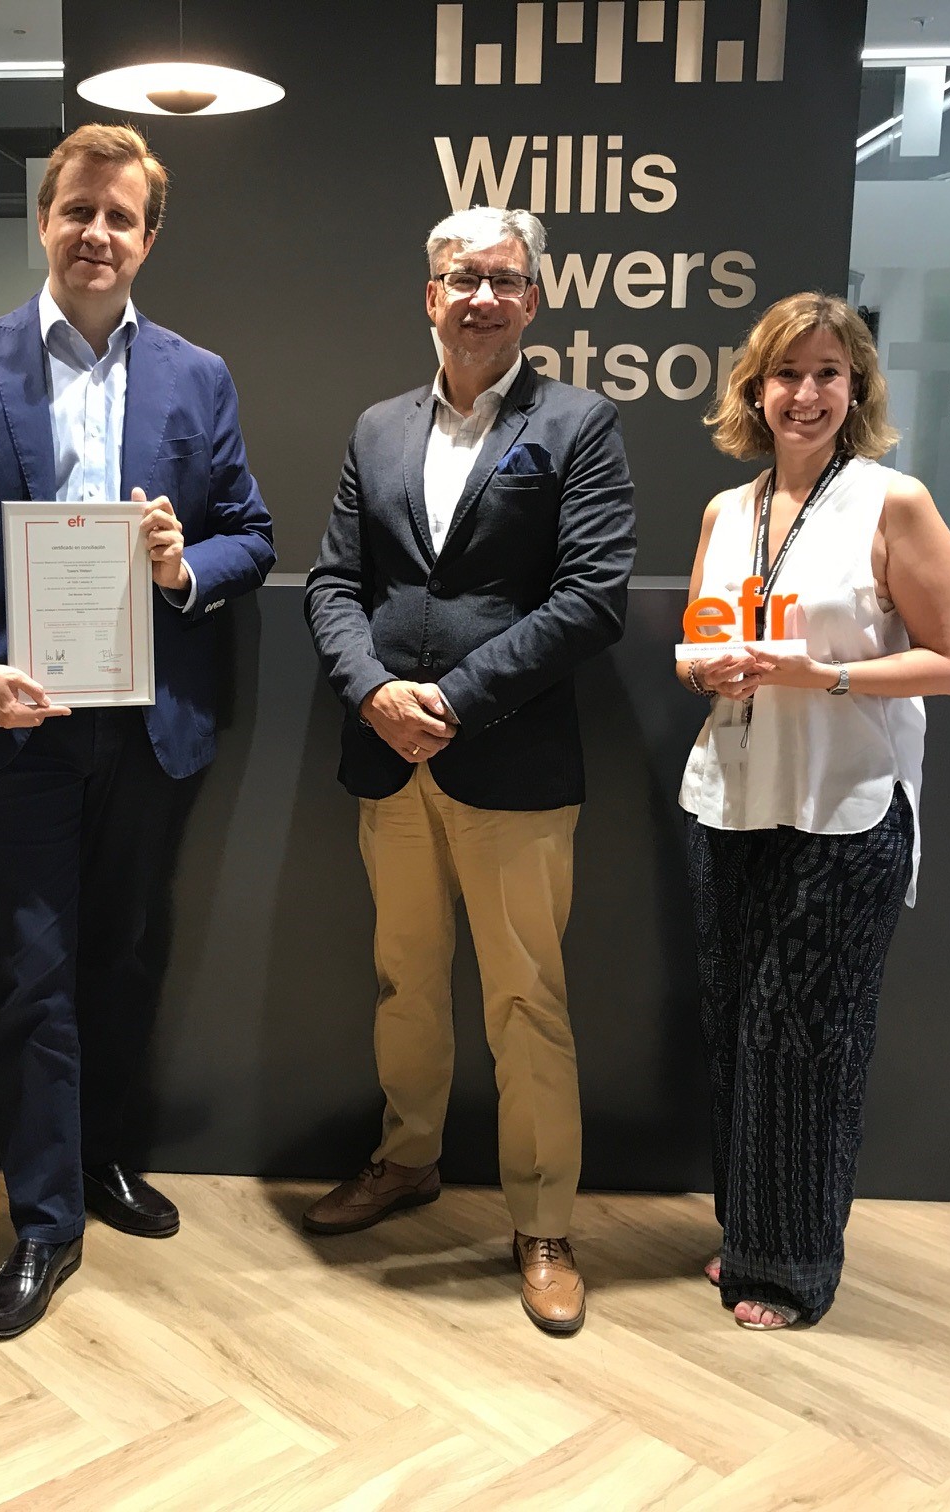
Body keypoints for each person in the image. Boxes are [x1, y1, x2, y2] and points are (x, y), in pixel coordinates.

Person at [0, 123, 275, 1340]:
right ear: (44, 221)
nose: (98, 233)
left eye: (121, 216)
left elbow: (252, 535)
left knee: (122, 959)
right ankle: (45, 1221)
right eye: (79, 211)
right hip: (17, 728)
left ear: (148, 237)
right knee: (30, 975)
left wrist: (181, 565)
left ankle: (101, 1156)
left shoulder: (198, 376)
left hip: (150, 730)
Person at [303, 206, 636, 1336]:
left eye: (504, 279)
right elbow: (333, 584)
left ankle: (543, 1223)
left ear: (533, 301)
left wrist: (453, 699)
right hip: (388, 757)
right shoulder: (377, 429)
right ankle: (408, 1160)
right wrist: (373, 691)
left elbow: (591, 598)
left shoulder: (578, 424)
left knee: (526, 999)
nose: (482, 296)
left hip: (511, 761)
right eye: (462, 277)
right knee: (404, 979)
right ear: (430, 296)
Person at [677, 292, 950, 1329]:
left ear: (857, 389)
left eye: (827, 375)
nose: (805, 394)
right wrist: (710, 671)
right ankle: (749, 1233)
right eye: (787, 374)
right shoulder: (728, 510)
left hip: (846, 807)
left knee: (805, 1037)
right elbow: (703, 642)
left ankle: (794, 1267)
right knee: (735, 1025)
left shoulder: (895, 503)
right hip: (731, 797)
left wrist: (824, 674)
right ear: (754, 389)